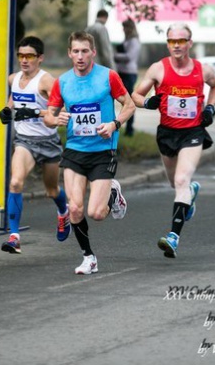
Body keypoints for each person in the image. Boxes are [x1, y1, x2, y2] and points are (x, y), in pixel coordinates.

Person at [44, 31, 136, 275]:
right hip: (74, 150)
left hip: (103, 150)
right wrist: (55, 119)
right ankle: (89, 257)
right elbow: (49, 116)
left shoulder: (108, 76)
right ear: (69, 53)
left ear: (93, 52)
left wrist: (114, 124)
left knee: (96, 213)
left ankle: (112, 193)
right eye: (75, 51)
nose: (80, 56)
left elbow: (129, 105)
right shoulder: (62, 82)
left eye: (85, 51)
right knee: (75, 208)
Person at [130, 23, 215, 259]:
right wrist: (148, 102)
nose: (177, 45)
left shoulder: (203, 70)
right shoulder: (158, 69)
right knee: (175, 183)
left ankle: (173, 237)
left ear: (190, 43)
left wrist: (210, 108)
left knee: (181, 179)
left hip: (193, 132)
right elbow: (136, 95)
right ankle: (190, 192)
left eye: (181, 41)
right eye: (172, 41)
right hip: (167, 133)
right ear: (168, 43)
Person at [0, 36, 70, 254]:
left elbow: (62, 109)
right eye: (21, 55)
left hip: (48, 142)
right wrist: (8, 109)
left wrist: (36, 112)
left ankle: (63, 212)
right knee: (15, 182)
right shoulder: (13, 78)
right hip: (24, 141)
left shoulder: (47, 81)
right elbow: (14, 97)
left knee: (51, 190)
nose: (24, 60)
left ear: (40, 58)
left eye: (29, 56)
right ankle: (14, 237)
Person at [113, 19, 141, 137]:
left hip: (129, 73)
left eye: (125, 27)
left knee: (129, 101)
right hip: (121, 71)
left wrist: (114, 55)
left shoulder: (134, 41)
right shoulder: (127, 40)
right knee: (122, 101)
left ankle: (129, 129)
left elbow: (129, 57)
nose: (123, 30)